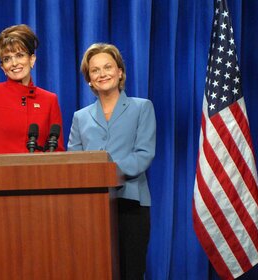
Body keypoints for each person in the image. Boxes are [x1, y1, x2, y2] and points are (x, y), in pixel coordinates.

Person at [67, 43, 156, 279]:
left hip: (131, 203)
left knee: (131, 272)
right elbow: (74, 160)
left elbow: (143, 154)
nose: (102, 73)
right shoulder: (80, 117)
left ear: (120, 72)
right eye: (95, 70)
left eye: (108, 67)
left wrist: (107, 173)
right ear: (89, 79)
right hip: (91, 207)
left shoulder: (142, 107)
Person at [0, 24, 64, 166]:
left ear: (32, 59)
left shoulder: (49, 100)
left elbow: (57, 152)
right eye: (7, 59)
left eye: (20, 55)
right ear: (2, 67)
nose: (14, 63)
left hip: (39, 183)